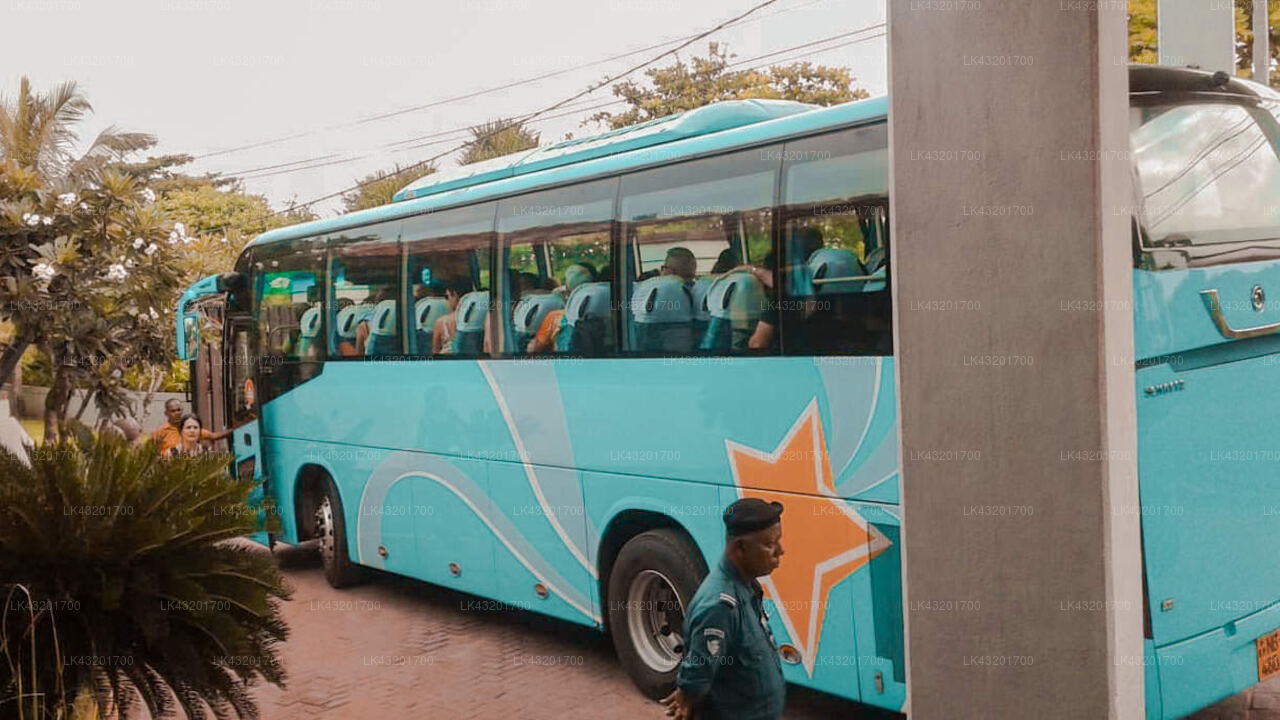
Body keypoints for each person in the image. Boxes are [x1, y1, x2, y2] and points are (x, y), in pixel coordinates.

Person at [662, 498, 786, 720]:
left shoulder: (746, 587)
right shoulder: (719, 607)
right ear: (740, 548)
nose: (781, 551)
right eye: (770, 544)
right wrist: (687, 692)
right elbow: (698, 670)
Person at [152, 399, 229, 456]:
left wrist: (237, 429)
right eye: (173, 411)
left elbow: (213, 436)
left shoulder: (190, 428)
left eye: (179, 410)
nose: (177, 413)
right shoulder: (161, 431)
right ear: (166, 413)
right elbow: (152, 452)